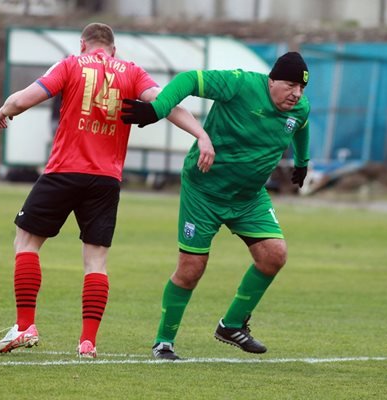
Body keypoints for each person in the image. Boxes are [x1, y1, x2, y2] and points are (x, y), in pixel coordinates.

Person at [0, 23, 215, 358]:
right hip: (106, 179)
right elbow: (168, 104)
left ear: (83, 44)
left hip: (64, 170)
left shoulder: (71, 63)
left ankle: (24, 327)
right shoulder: (133, 72)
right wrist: (201, 134)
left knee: (26, 241)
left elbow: (26, 98)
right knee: (96, 260)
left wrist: (6, 109)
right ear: (114, 47)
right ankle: (87, 343)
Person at [121, 52, 311, 360]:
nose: (297, 93)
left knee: (274, 256)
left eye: (302, 88)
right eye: (290, 85)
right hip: (204, 192)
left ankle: (232, 324)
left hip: (248, 197)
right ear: (272, 80)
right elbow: (189, 80)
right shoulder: (239, 83)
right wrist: (158, 109)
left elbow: (301, 125)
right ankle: (164, 342)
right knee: (191, 269)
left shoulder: (299, 107)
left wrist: (302, 161)